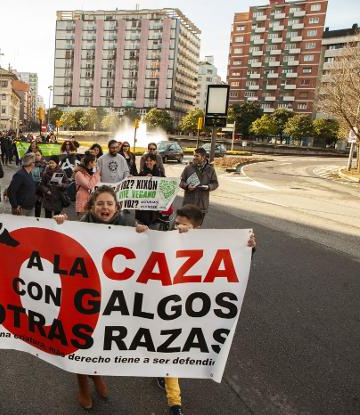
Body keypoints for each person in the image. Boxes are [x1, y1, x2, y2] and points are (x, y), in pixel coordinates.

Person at [154, 203, 256, 415]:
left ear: (197, 228)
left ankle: (172, 397)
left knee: (173, 349)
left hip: (191, 310)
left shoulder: (208, 246)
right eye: (176, 224)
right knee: (167, 348)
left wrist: (247, 248)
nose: (177, 228)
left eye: (183, 225)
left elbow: (232, 261)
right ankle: (173, 400)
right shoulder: (167, 241)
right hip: (166, 307)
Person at [53, 186, 147, 409]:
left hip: (112, 297)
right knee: (81, 339)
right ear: (92, 206)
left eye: (109, 204)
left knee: (103, 338)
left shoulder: (128, 225)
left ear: (117, 207)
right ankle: (83, 384)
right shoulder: (80, 225)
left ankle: (97, 375)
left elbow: (152, 250)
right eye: (100, 204)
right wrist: (58, 225)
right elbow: (58, 246)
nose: (105, 208)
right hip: (82, 294)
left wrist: (145, 234)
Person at [179, 148, 218, 223]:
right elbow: (181, 181)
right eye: (194, 155)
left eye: (197, 156)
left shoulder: (210, 170)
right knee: (185, 227)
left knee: (196, 228)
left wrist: (209, 187)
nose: (194, 157)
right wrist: (187, 186)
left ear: (203, 157)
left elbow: (215, 183)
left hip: (202, 205)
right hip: (188, 204)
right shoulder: (188, 168)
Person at [135, 154, 165, 228]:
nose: (148, 162)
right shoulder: (142, 173)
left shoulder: (159, 172)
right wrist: (144, 178)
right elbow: (135, 186)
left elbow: (165, 185)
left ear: (155, 162)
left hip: (154, 206)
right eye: (147, 161)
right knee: (142, 227)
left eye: (150, 161)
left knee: (153, 227)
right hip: (143, 207)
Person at [74, 152, 99, 217]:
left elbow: (97, 184)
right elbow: (89, 186)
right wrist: (96, 175)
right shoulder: (79, 173)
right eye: (95, 162)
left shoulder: (91, 173)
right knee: (83, 223)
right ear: (90, 162)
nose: (96, 164)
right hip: (82, 201)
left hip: (92, 201)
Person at [30, 151, 46, 217]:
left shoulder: (45, 165)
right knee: (29, 205)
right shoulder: (29, 164)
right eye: (35, 155)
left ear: (41, 156)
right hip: (30, 187)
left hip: (40, 188)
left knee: (38, 205)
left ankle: (37, 219)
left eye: (38, 155)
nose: (36, 156)